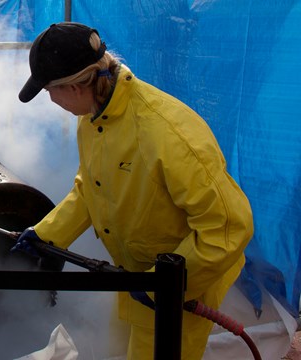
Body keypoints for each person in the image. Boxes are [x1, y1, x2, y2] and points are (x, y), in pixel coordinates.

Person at [14, 22, 254, 359]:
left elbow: (228, 227)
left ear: (77, 85)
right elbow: (90, 189)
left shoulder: (165, 132)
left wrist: (162, 284)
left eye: (52, 90)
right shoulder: (96, 117)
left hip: (184, 280)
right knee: (114, 347)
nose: (51, 100)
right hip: (137, 273)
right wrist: (46, 236)